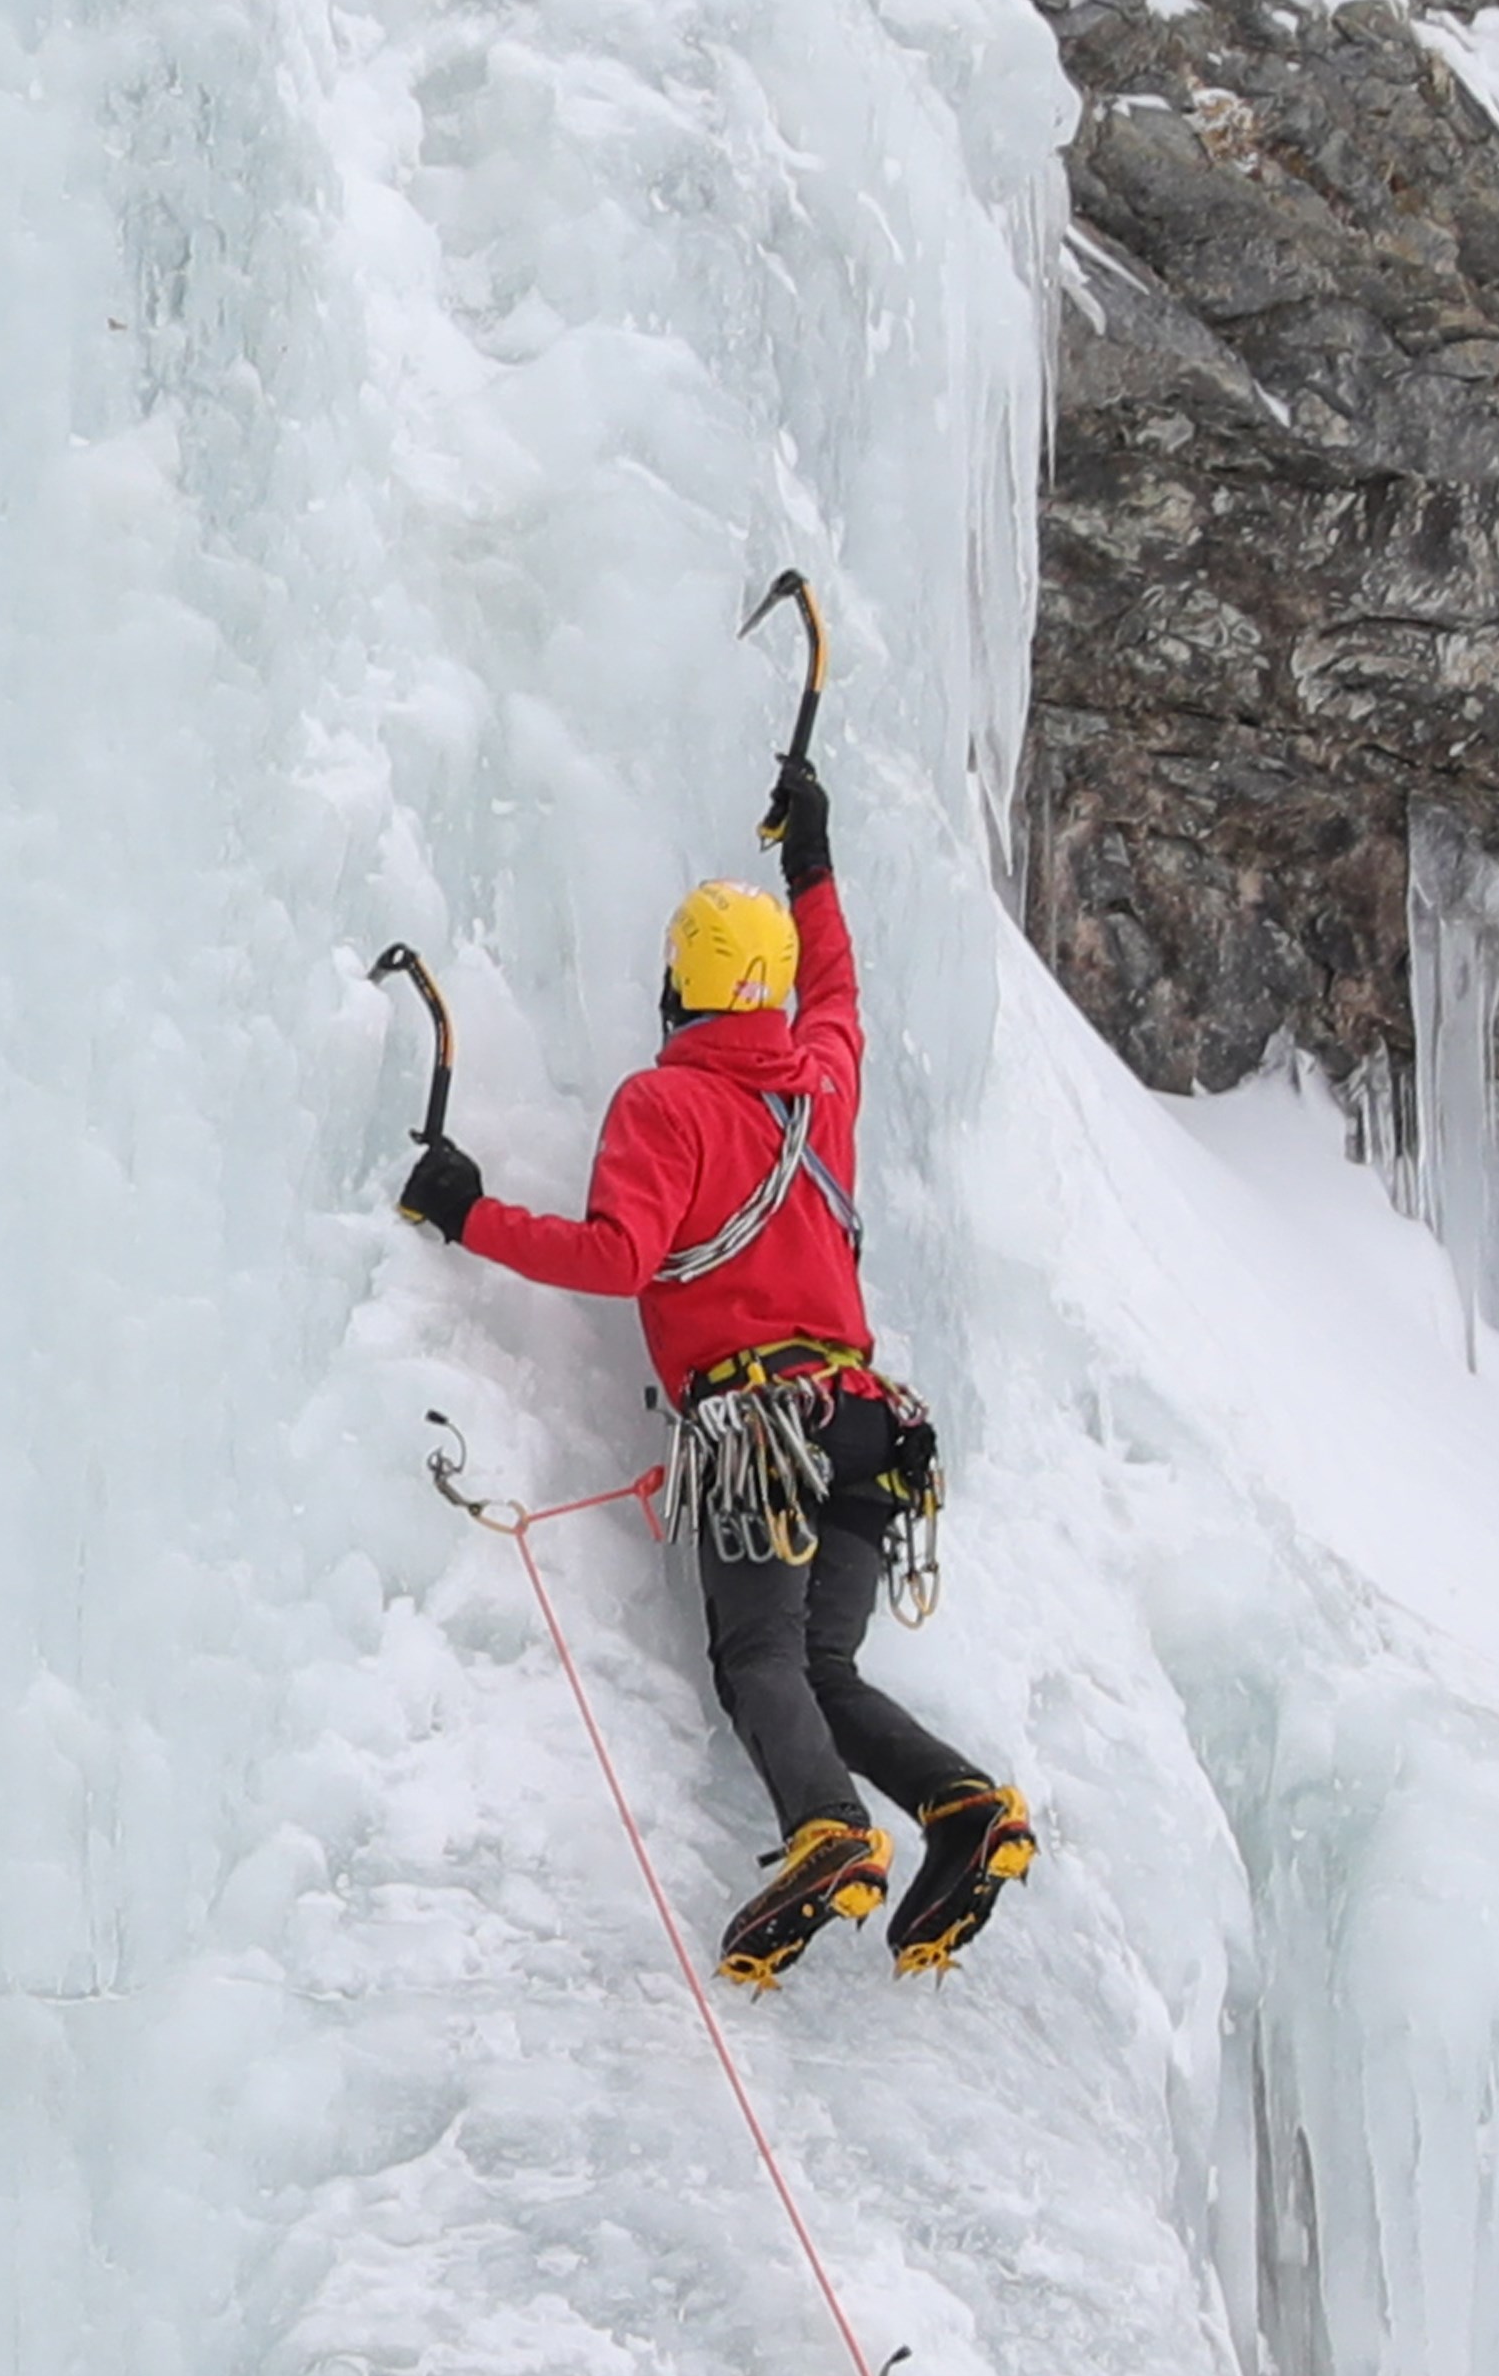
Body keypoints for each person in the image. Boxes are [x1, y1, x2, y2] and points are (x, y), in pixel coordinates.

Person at [394, 741, 1035, 1983]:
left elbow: (619, 1257)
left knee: (755, 1661)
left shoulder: (665, 1103)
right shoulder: (821, 1084)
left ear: (680, 988)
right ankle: (961, 1806)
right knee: (821, 1666)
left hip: (760, 1435)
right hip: (865, 1430)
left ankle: (829, 1834)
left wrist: (468, 1210)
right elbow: (841, 994)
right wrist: (814, 859)